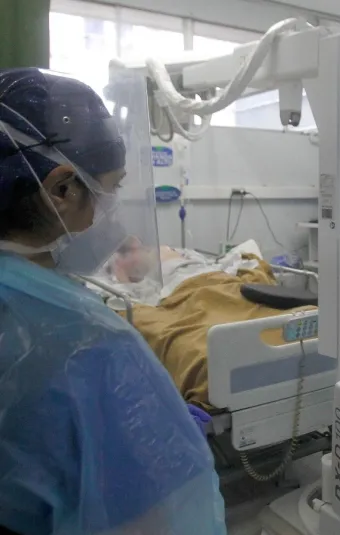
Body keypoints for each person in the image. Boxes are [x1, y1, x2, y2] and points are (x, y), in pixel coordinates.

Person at [0, 68, 225, 534]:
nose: (114, 214)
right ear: (62, 191)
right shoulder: (90, 346)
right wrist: (146, 427)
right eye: (111, 189)